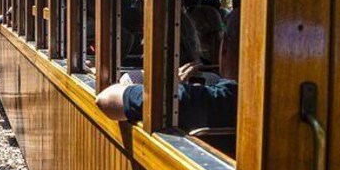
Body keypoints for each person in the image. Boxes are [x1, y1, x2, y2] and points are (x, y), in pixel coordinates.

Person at [97, 11, 240, 130]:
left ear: (225, 46)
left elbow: (105, 99)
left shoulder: (199, 98)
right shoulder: (217, 86)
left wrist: (173, 87)